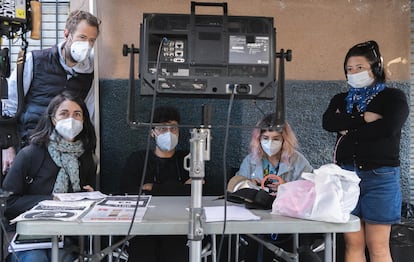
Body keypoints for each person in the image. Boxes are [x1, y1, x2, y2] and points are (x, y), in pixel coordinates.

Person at [322, 40, 409, 262]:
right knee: (353, 244)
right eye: (349, 69)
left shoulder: (393, 97)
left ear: (375, 68)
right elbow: (329, 122)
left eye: (359, 67)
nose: (353, 73)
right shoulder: (340, 99)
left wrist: (348, 128)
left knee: (378, 246)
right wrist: (363, 119)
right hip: (347, 177)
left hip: (381, 177)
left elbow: (388, 128)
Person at [1, 10, 101, 175]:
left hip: (65, 153)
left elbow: (88, 115)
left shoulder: (89, 75)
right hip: (28, 146)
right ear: (67, 34)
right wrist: (7, 147)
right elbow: (10, 105)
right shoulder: (35, 60)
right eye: (82, 38)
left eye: (92, 40)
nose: (87, 45)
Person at [2, 91, 97, 262]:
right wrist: (50, 200)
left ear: (83, 120)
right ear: (53, 119)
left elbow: (87, 203)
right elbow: (8, 204)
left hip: (67, 236)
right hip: (29, 238)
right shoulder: (30, 154)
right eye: (64, 114)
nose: (71, 120)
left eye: (77, 114)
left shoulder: (86, 158)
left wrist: (91, 198)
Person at [235, 114, 314, 261]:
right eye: (265, 138)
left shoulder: (298, 161)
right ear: (258, 139)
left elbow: (311, 191)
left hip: (290, 222)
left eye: (276, 139)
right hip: (258, 220)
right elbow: (236, 188)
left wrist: (287, 188)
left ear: (285, 140)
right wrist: (249, 185)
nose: (270, 143)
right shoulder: (251, 161)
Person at [120, 106, 192, 261]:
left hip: (179, 227)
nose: (169, 133)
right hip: (143, 227)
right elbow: (128, 191)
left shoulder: (187, 159)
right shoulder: (138, 159)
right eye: (162, 128)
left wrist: (153, 188)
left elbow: (198, 191)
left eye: (173, 128)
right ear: (152, 132)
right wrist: (179, 188)